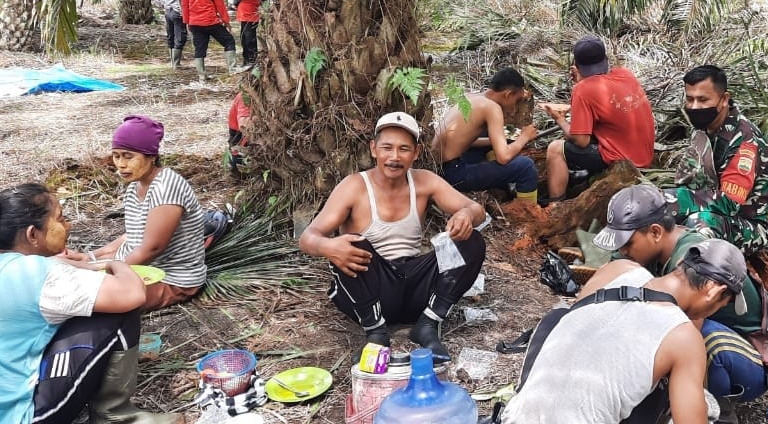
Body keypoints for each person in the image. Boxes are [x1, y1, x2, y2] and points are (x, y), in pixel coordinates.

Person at [0, 183, 181, 424]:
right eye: (59, 218)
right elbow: (131, 294)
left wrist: (90, 263)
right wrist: (118, 265)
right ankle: (116, 416)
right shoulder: (39, 276)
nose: (67, 225)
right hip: (11, 418)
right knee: (118, 312)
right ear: (32, 234)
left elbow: (54, 266)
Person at [299, 112, 488, 362]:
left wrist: (466, 214)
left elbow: (477, 210)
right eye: (387, 148)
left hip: (415, 288)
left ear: (416, 153)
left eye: (404, 149)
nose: (395, 157)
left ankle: (428, 324)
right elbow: (308, 237)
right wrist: (328, 246)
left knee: (471, 241)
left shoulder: (424, 181)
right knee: (352, 244)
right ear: (374, 149)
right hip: (370, 290)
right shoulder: (354, 186)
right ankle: (376, 333)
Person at [501, 239, 749, 424]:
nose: (713, 311)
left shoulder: (617, 269)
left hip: (515, 418)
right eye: (721, 304)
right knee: (664, 390)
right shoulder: (684, 338)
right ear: (714, 291)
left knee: (557, 317)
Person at [593, 184, 768, 403]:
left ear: (655, 232)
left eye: (628, 244)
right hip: (706, 332)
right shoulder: (650, 250)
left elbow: (679, 331)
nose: (623, 251)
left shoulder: (693, 261)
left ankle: (713, 408)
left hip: (748, 356)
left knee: (690, 337)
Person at [82, 116, 207, 311]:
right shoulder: (135, 186)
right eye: (116, 156)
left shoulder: (166, 187)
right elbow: (131, 237)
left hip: (169, 278)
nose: (121, 164)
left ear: (151, 156)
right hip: (135, 266)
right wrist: (90, 257)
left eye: (128, 156)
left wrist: (106, 271)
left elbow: (151, 249)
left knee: (88, 298)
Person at [540, 36, 655, 205]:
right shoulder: (625, 74)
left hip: (624, 161)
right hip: (644, 156)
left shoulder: (582, 90)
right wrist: (583, 82)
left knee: (555, 149)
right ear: (606, 60)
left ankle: (555, 204)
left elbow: (581, 140)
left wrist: (559, 119)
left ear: (577, 66)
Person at [675, 65, 768, 252]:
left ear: (724, 99)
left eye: (703, 99)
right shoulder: (704, 126)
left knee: (698, 226)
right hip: (708, 206)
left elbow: (729, 202)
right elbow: (689, 179)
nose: (694, 107)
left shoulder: (745, 142)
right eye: (689, 99)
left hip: (747, 224)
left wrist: (671, 201)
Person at [434, 68, 541, 203]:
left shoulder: (472, 97)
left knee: (493, 135)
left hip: (439, 168)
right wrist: (524, 137)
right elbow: (504, 158)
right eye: (517, 100)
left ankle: (503, 184)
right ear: (507, 94)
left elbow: (465, 141)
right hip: (454, 175)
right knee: (526, 166)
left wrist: (496, 141)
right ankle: (528, 213)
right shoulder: (492, 108)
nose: (515, 107)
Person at [179, 0, 239, 82]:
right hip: (211, 21)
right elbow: (220, 5)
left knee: (199, 48)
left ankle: (202, 76)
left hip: (195, 22)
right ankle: (232, 70)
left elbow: (184, 5)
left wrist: (186, 22)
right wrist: (226, 21)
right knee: (229, 42)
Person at [157, 0, 188, 69]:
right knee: (180, 36)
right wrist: (183, 10)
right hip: (176, 10)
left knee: (171, 35)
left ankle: (172, 62)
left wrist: (160, 2)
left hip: (167, 10)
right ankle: (176, 63)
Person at [233, 0, 263, 68]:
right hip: (245, 18)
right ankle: (246, 61)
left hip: (250, 18)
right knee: (244, 40)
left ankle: (251, 60)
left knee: (250, 40)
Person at [226, 92, 252, 176]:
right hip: (240, 133)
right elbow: (244, 124)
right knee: (238, 168)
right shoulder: (246, 96)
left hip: (254, 132)